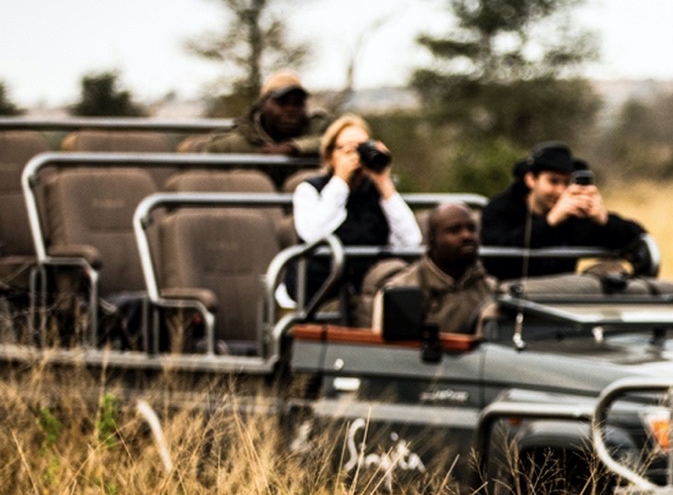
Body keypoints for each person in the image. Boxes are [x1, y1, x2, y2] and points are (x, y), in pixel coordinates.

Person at [291, 114, 422, 317]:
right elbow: (313, 234)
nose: (357, 158)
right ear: (329, 156)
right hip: (320, 295)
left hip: (369, 291)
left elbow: (411, 242)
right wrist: (341, 181)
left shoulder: (378, 193)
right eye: (348, 150)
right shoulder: (309, 190)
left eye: (362, 149)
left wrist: (384, 183)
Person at [479, 142, 652, 281]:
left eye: (567, 183)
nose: (561, 191)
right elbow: (496, 256)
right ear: (531, 180)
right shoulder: (500, 209)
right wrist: (550, 222)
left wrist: (604, 221)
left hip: (561, 298)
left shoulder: (575, 216)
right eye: (553, 182)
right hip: (509, 296)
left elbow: (637, 238)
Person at [366, 203, 498, 336]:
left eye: (471, 228)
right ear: (432, 239)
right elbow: (390, 352)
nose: (466, 236)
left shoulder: (491, 289)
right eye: (454, 230)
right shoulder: (400, 290)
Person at [190, 70, 323, 155]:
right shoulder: (232, 145)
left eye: (298, 103)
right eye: (282, 102)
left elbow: (333, 140)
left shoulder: (316, 131)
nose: (291, 110)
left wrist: (293, 148)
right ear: (264, 104)